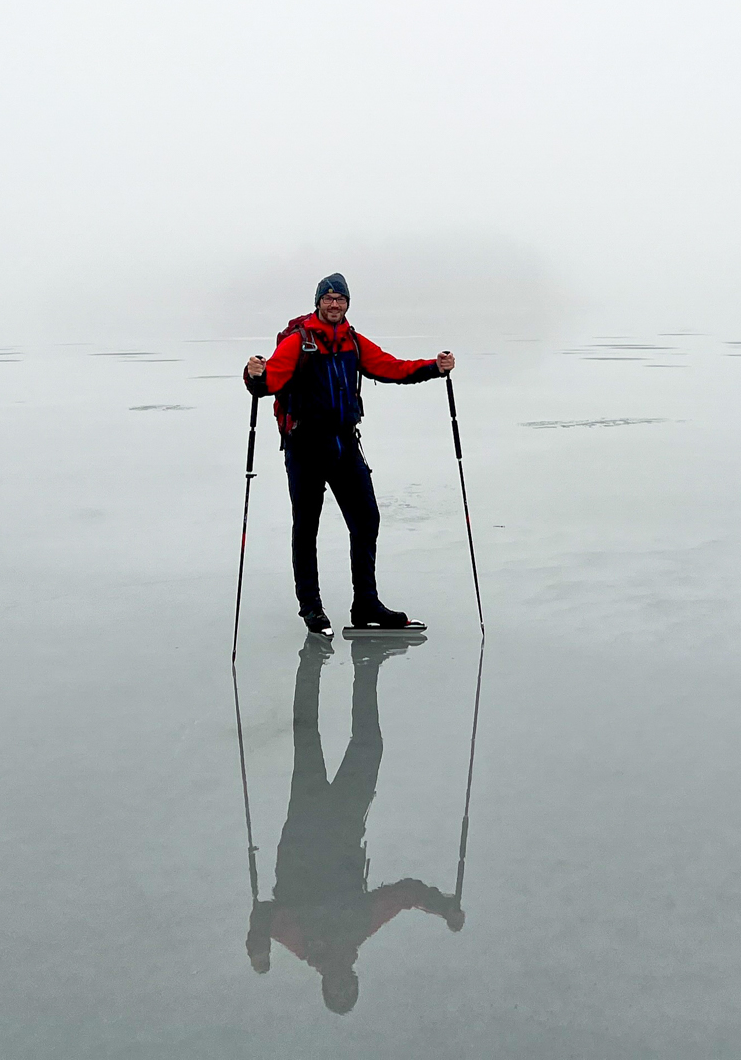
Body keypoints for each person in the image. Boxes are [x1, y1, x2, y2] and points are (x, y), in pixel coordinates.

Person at [245, 637, 463, 1012]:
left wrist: (259, 949)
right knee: (365, 744)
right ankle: (364, 666)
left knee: (309, 738)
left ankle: (314, 663)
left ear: (327, 986)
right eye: (349, 991)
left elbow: (265, 914)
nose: (343, 984)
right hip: (343, 822)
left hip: (307, 824)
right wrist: (442, 907)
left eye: (337, 992)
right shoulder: (359, 928)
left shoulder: (304, 942)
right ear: (355, 981)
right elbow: (404, 895)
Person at [243, 273, 454, 635]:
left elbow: (390, 367)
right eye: (329, 299)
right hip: (305, 447)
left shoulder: (352, 342)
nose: (335, 304)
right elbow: (270, 383)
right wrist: (255, 376)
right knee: (307, 527)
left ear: (347, 304)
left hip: (344, 445)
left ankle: (366, 605)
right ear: (318, 303)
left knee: (366, 520)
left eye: (340, 299)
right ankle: (311, 608)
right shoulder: (299, 342)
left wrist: (433, 367)